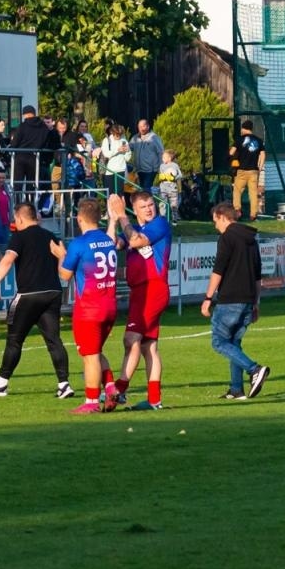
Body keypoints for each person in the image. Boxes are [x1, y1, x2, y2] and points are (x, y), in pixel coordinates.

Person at [0, 202, 75, 399]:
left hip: (29, 295)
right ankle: (64, 384)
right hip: (53, 292)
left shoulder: (19, 237)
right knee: (54, 340)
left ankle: (0, 383)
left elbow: (7, 260)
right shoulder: (49, 236)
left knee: (14, 340)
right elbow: (63, 264)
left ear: (20, 218)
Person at [108, 190, 172, 411]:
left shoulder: (159, 224)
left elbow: (135, 241)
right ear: (135, 210)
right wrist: (113, 218)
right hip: (141, 292)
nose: (149, 209)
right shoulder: (135, 227)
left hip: (152, 289)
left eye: (151, 204)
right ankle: (154, 400)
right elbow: (112, 244)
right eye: (143, 206)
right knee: (148, 347)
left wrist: (122, 217)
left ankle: (120, 390)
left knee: (130, 339)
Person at [56, 197, 121, 414]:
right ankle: (110, 386)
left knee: (90, 355)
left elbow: (65, 275)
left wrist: (60, 255)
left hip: (89, 308)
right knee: (94, 352)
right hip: (110, 305)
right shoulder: (108, 240)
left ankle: (91, 402)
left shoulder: (79, 243)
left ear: (79, 218)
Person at [202, 201, 271, 400]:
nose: (215, 226)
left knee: (219, 342)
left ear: (223, 217)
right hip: (248, 298)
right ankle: (236, 389)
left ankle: (254, 369)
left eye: (215, 221)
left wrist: (208, 298)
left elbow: (218, 270)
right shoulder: (251, 238)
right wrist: (256, 302)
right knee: (234, 342)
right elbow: (258, 275)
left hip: (230, 299)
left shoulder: (227, 238)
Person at [228, 118, 265, 220]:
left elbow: (231, 152)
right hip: (254, 171)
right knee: (253, 193)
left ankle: (237, 210)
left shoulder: (239, 139)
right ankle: (253, 214)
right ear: (251, 129)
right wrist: (260, 167)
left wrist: (231, 161)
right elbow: (262, 155)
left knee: (237, 190)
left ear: (243, 128)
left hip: (241, 171)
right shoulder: (258, 140)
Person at [97, 122, 131, 197]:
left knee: (119, 194)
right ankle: (109, 208)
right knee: (109, 194)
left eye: (120, 134)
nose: (118, 136)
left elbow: (127, 158)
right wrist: (117, 150)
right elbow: (106, 154)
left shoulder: (124, 140)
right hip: (109, 170)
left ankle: (120, 208)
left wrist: (128, 151)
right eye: (116, 134)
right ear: (112, 132)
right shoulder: (107, 140)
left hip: (120, 170)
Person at [130, 119, 163, 193]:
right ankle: (148, 204)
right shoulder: (135, 138)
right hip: (139, 169)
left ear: (148, 126)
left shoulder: (154, 138)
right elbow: (129, 147)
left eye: (143, 126)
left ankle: (149, 203)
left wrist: (161, 167)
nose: (141, 128)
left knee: (146, 190)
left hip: (150, 170)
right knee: (142, 189)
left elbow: (161, 152)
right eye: (139, 126)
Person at [157, 150, 183, 215]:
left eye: (164, 157)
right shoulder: (161, 166)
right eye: (162, 157)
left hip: (172, 188)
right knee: (162, 203)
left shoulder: (175, 165)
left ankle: (174, 217)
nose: (162, 159)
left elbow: (180, 175)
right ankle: (162, 218)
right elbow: (161, 175)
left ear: (169, 158)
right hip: (163, 187)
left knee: (174, 204)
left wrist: (173, 177)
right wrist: (162, 177)